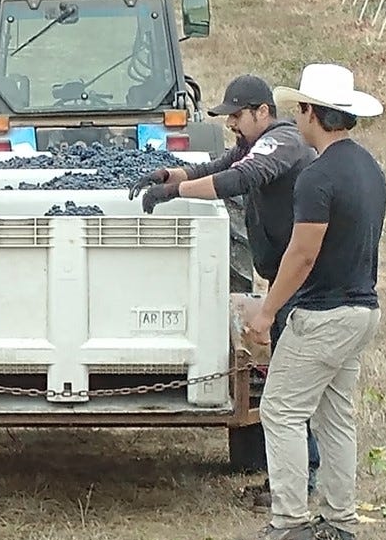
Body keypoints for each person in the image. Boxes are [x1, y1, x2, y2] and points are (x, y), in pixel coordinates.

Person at [128, 73, 321, 496]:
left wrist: (178, 193)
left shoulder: (282, 142)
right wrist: (172, 175)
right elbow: (220, 166)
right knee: (287, 380)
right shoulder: (254, 142)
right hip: (286, 275)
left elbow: (238, 179)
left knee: (289, 383)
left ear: (262, 112)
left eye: (237, 116)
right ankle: (294, 475)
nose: (231, 123)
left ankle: (300, 478)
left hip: (304, 278)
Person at [234, 63, 386, 540]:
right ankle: (340, 520)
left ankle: (290, 520)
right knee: (336, 416)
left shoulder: (316, 177)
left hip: (321, 314)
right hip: (362, 309)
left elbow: (301, 256)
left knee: (279, 410)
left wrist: (265, 313)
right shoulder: (369, 168)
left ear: (310, 114)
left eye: (299, 109)